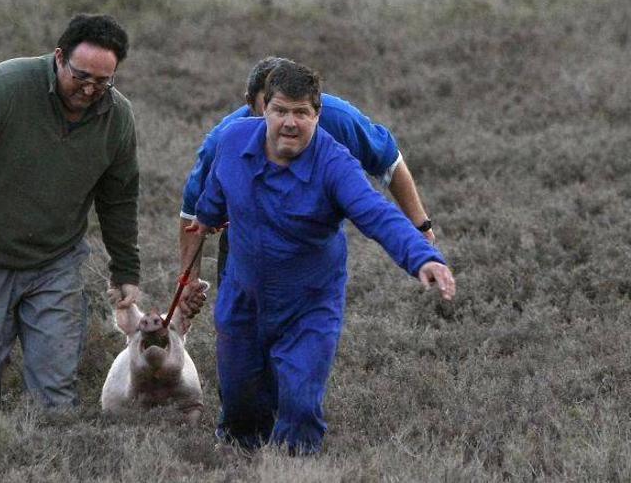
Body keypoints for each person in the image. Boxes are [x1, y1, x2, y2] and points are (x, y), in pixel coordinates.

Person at [186, 61, 456, 455]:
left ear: (317, 115)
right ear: (263, 111)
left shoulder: (335, 164)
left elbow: (376, 214)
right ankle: (237, 458)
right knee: (241, 400)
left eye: (301, 113)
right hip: (242, 297)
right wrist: (207, 219)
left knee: (299, 401)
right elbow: (211, 194)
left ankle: (296, 467)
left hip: (308, 305)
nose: (290, 123)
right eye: (280, 111)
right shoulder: (231, 141)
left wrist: (422, 257)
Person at [0, 14, 143, 412]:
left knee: (55, 388)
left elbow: (119, 198)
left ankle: (49, 457)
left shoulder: (117, 118)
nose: (90, 88)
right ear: (59, 57)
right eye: (81, 76)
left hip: (55, 262)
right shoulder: (7, 86)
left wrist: (125, 269)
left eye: (103, 81)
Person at [179, 56, 435, 290]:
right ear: (253, 103)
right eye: (275, 112)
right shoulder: (226, 139)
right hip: (246, 244)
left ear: (314, 107)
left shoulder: (340, 120)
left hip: (313, 247)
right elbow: (193, 210)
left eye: (298, 112)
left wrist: (421, 227)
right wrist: (189, 281)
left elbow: (388, 164)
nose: (284, 126)